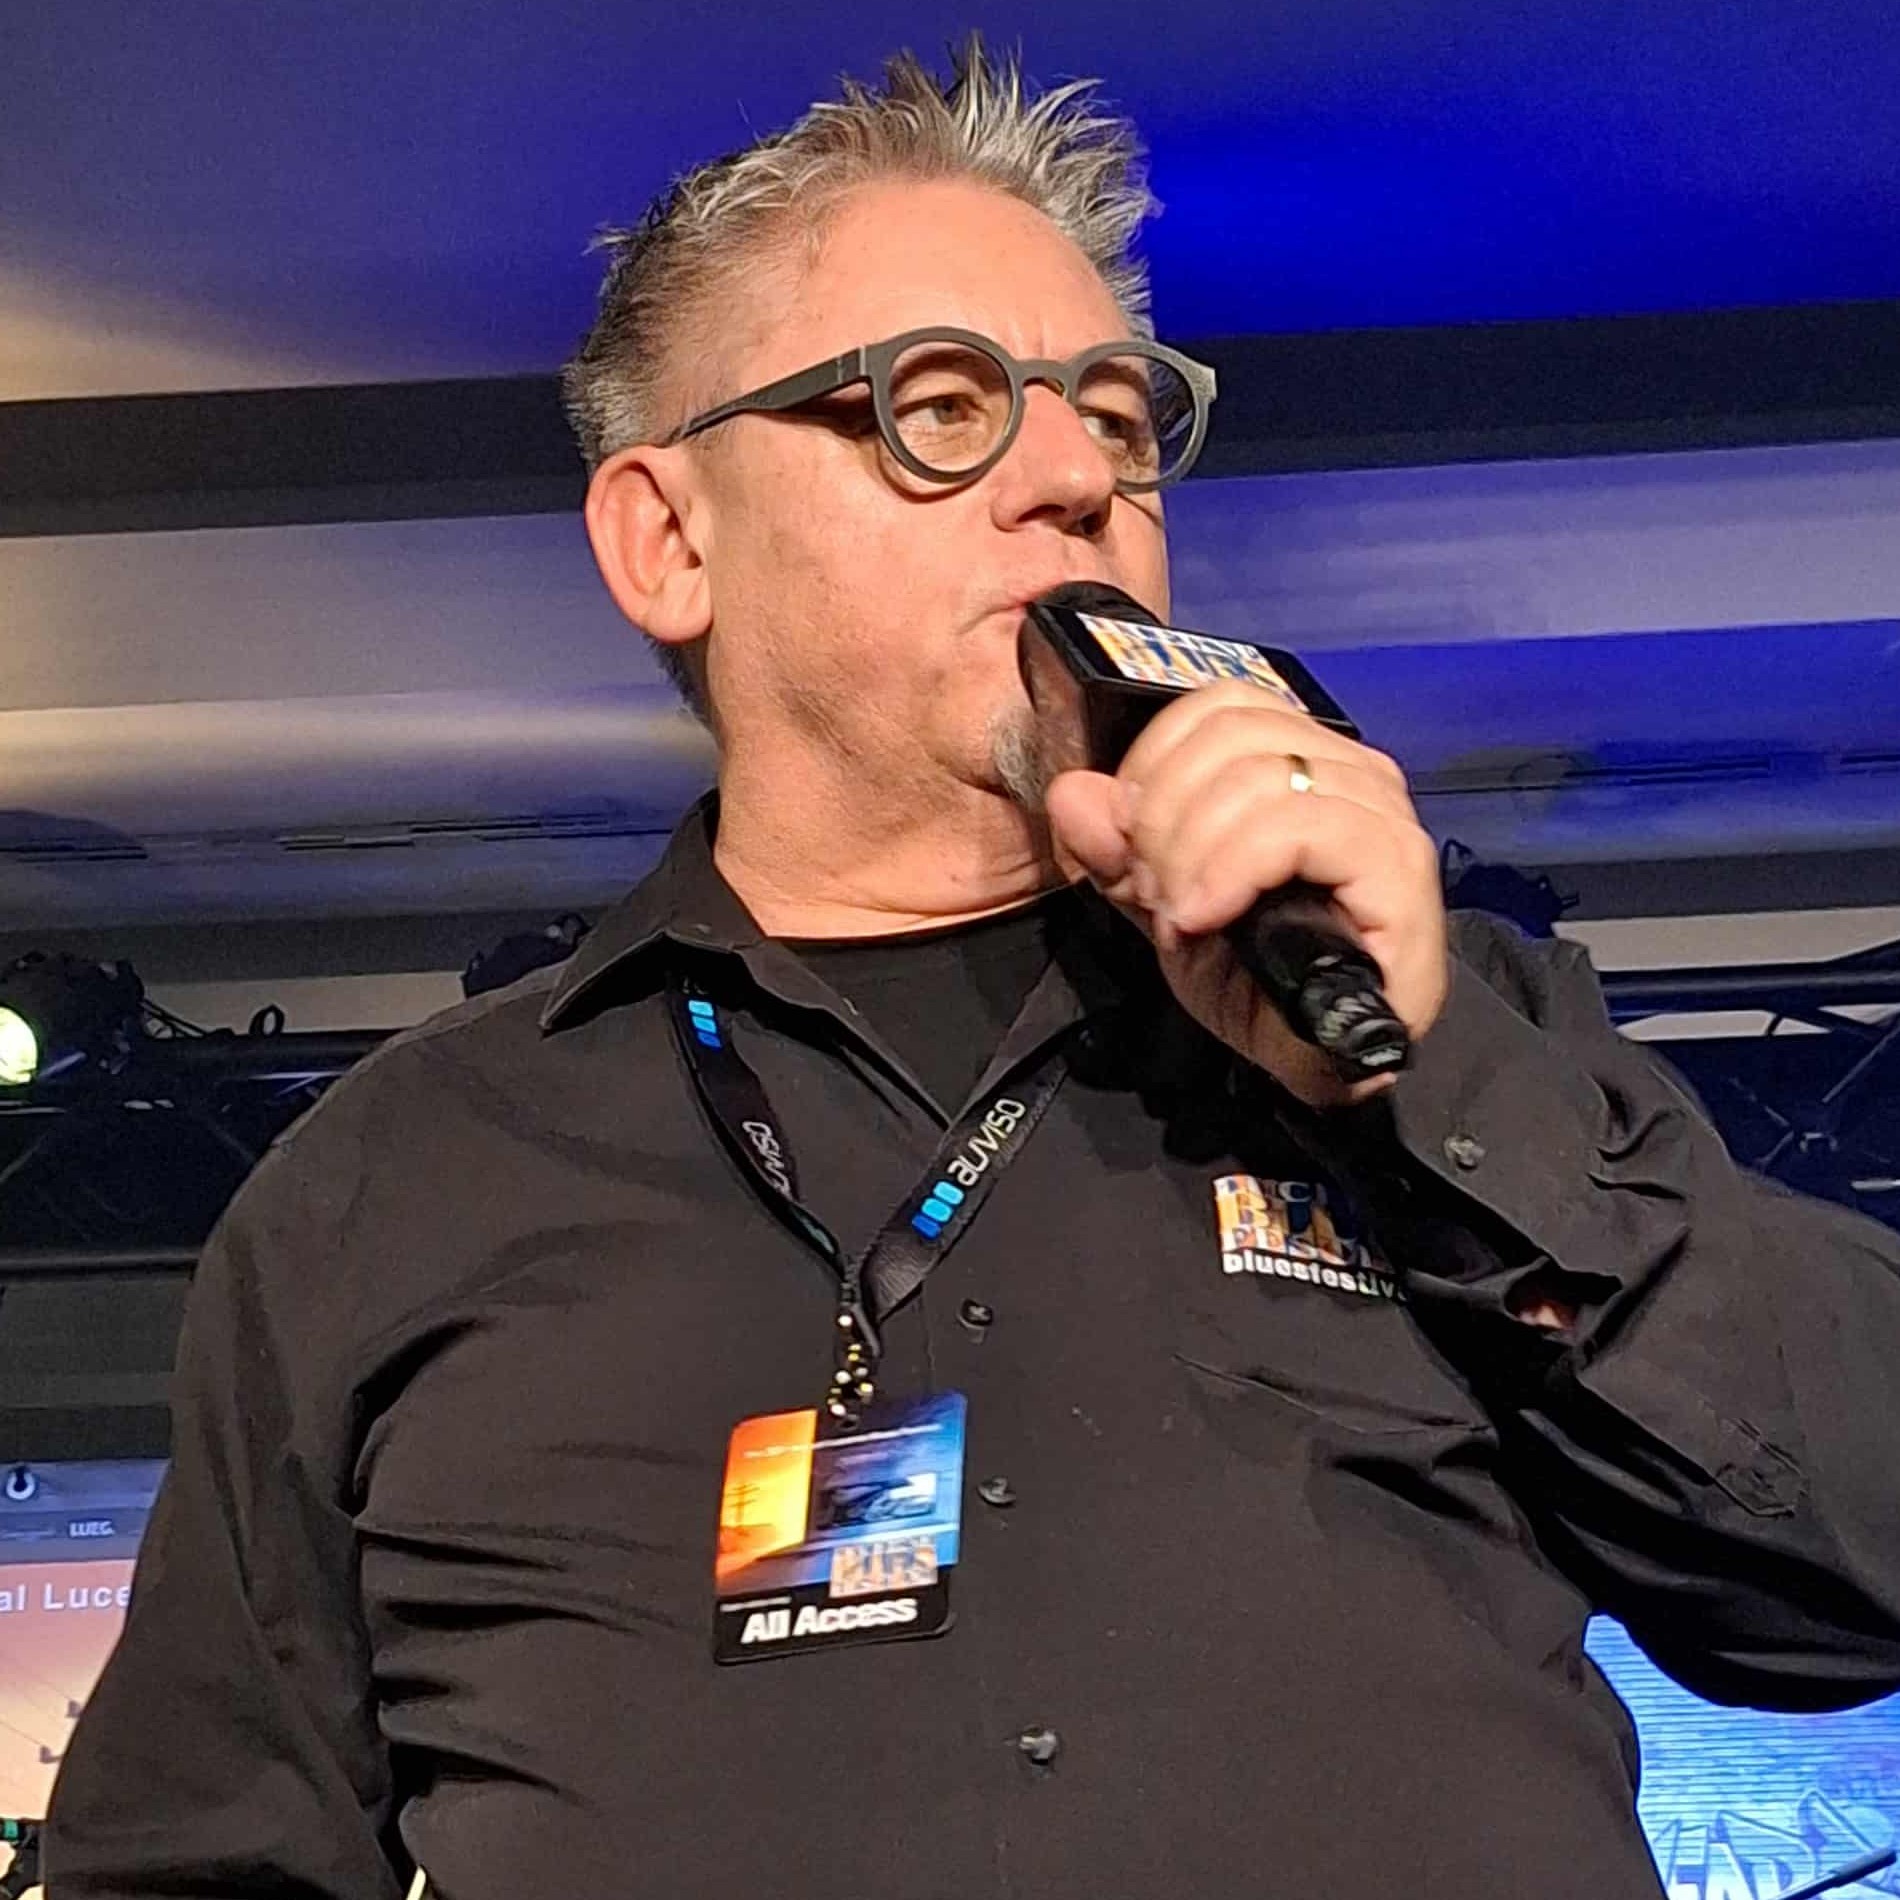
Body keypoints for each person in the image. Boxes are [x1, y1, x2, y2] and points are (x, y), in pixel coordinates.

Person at [45, 41, 1900, 1900]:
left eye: (1120, 417)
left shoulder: (1438, 1026)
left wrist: (1433, 1086)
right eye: (942, 406)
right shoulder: (393, 1189)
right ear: (669, 539)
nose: (1080, 479)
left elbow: (1852, 1569)